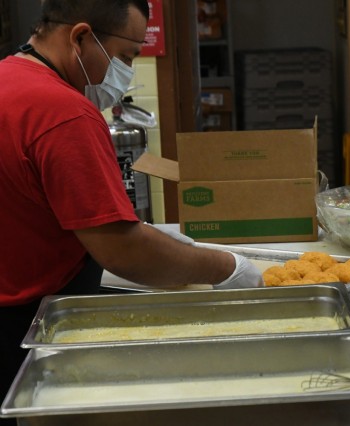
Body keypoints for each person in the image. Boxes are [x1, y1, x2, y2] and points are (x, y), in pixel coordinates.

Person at [0, 0, 263, 420]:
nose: (123, 75)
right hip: (23, 326)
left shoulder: (7, 79)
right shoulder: (62, 112)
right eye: (124, 57)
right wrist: (227, 267)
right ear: (81, 37)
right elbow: (123, 251)